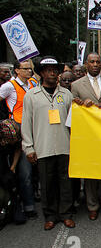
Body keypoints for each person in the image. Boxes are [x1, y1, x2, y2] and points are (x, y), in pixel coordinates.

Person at [21, 56, 74, 230]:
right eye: (48, 70)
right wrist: (28, 147)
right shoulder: (31, 96)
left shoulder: (66, 94)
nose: (52, 73)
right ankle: (50, 215)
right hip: (42, 147)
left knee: (65, 183)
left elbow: (73, 122)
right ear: (42, 73)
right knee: (47, 184)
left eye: (55, 70)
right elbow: (26, 123)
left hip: (64, 145)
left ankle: (66, 214)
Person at [71, 52, 101, 220]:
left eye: (98, 62)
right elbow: (73, 106)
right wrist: (82, 105)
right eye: (92, 62)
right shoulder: (76, 85)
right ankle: (92, 205)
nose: (95, 64)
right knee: (90, 171)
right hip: (88, 135)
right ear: (86, 65)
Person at [0, 60, 39, 220]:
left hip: (34, 129)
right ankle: (28, 206)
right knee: (25, 171)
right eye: (26, 69)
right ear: (17, 70)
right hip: (19, 133)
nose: (29, 71)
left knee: (35, 168)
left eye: (30, 69)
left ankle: (33, 196)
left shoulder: (32, 84)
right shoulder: (9, 86)